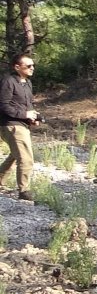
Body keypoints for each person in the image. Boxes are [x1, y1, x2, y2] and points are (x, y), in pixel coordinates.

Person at [1, 53, 39, 201]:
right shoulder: (8, 82)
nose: (32, 68)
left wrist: (33, 117)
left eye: (33, 65)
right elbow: (3, 106)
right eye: (28, 66)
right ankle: (24, 191)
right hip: (11, 125)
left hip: (22, 124)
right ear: (17, 67)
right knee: (26, 158)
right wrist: (25, 114)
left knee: (16, 155)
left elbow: (28, 105)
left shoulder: (27, 83)